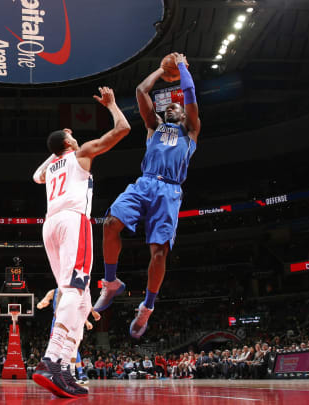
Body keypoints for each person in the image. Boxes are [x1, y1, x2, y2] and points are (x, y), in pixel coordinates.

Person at [31, 86, 131, 398]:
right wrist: (113, 106)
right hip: (74, 221)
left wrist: (57, 146)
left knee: (83, 298)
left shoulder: (51, 167)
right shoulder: (82, 152)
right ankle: (50, 359)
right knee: (75, 289)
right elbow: (123, 129)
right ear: (68, 142)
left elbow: (36, 177)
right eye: (69, 134)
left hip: (51, 225)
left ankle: (65, 368)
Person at [94, 53, 202, 340]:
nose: (173, 108)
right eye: (170, 107)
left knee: (159, 252)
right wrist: (159, 69)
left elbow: (189, 93)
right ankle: (111, 281)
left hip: (169, 189)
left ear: (184, 115)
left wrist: (180, 65)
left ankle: (147, 307)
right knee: (109, 224)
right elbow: (141, 91)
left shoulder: (190, 132)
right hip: (144, 183)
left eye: (177, 107)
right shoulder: (154, 128)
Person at [36, 287, 100, 385]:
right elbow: (44, 300)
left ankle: (77, 374)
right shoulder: (54, 291)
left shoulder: (75, 291)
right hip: (58, 322)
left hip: (71, 320)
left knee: (73, 348)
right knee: (57, 347)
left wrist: (87, 320)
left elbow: (80, 307)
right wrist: (41, 304)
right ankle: (56, 372)